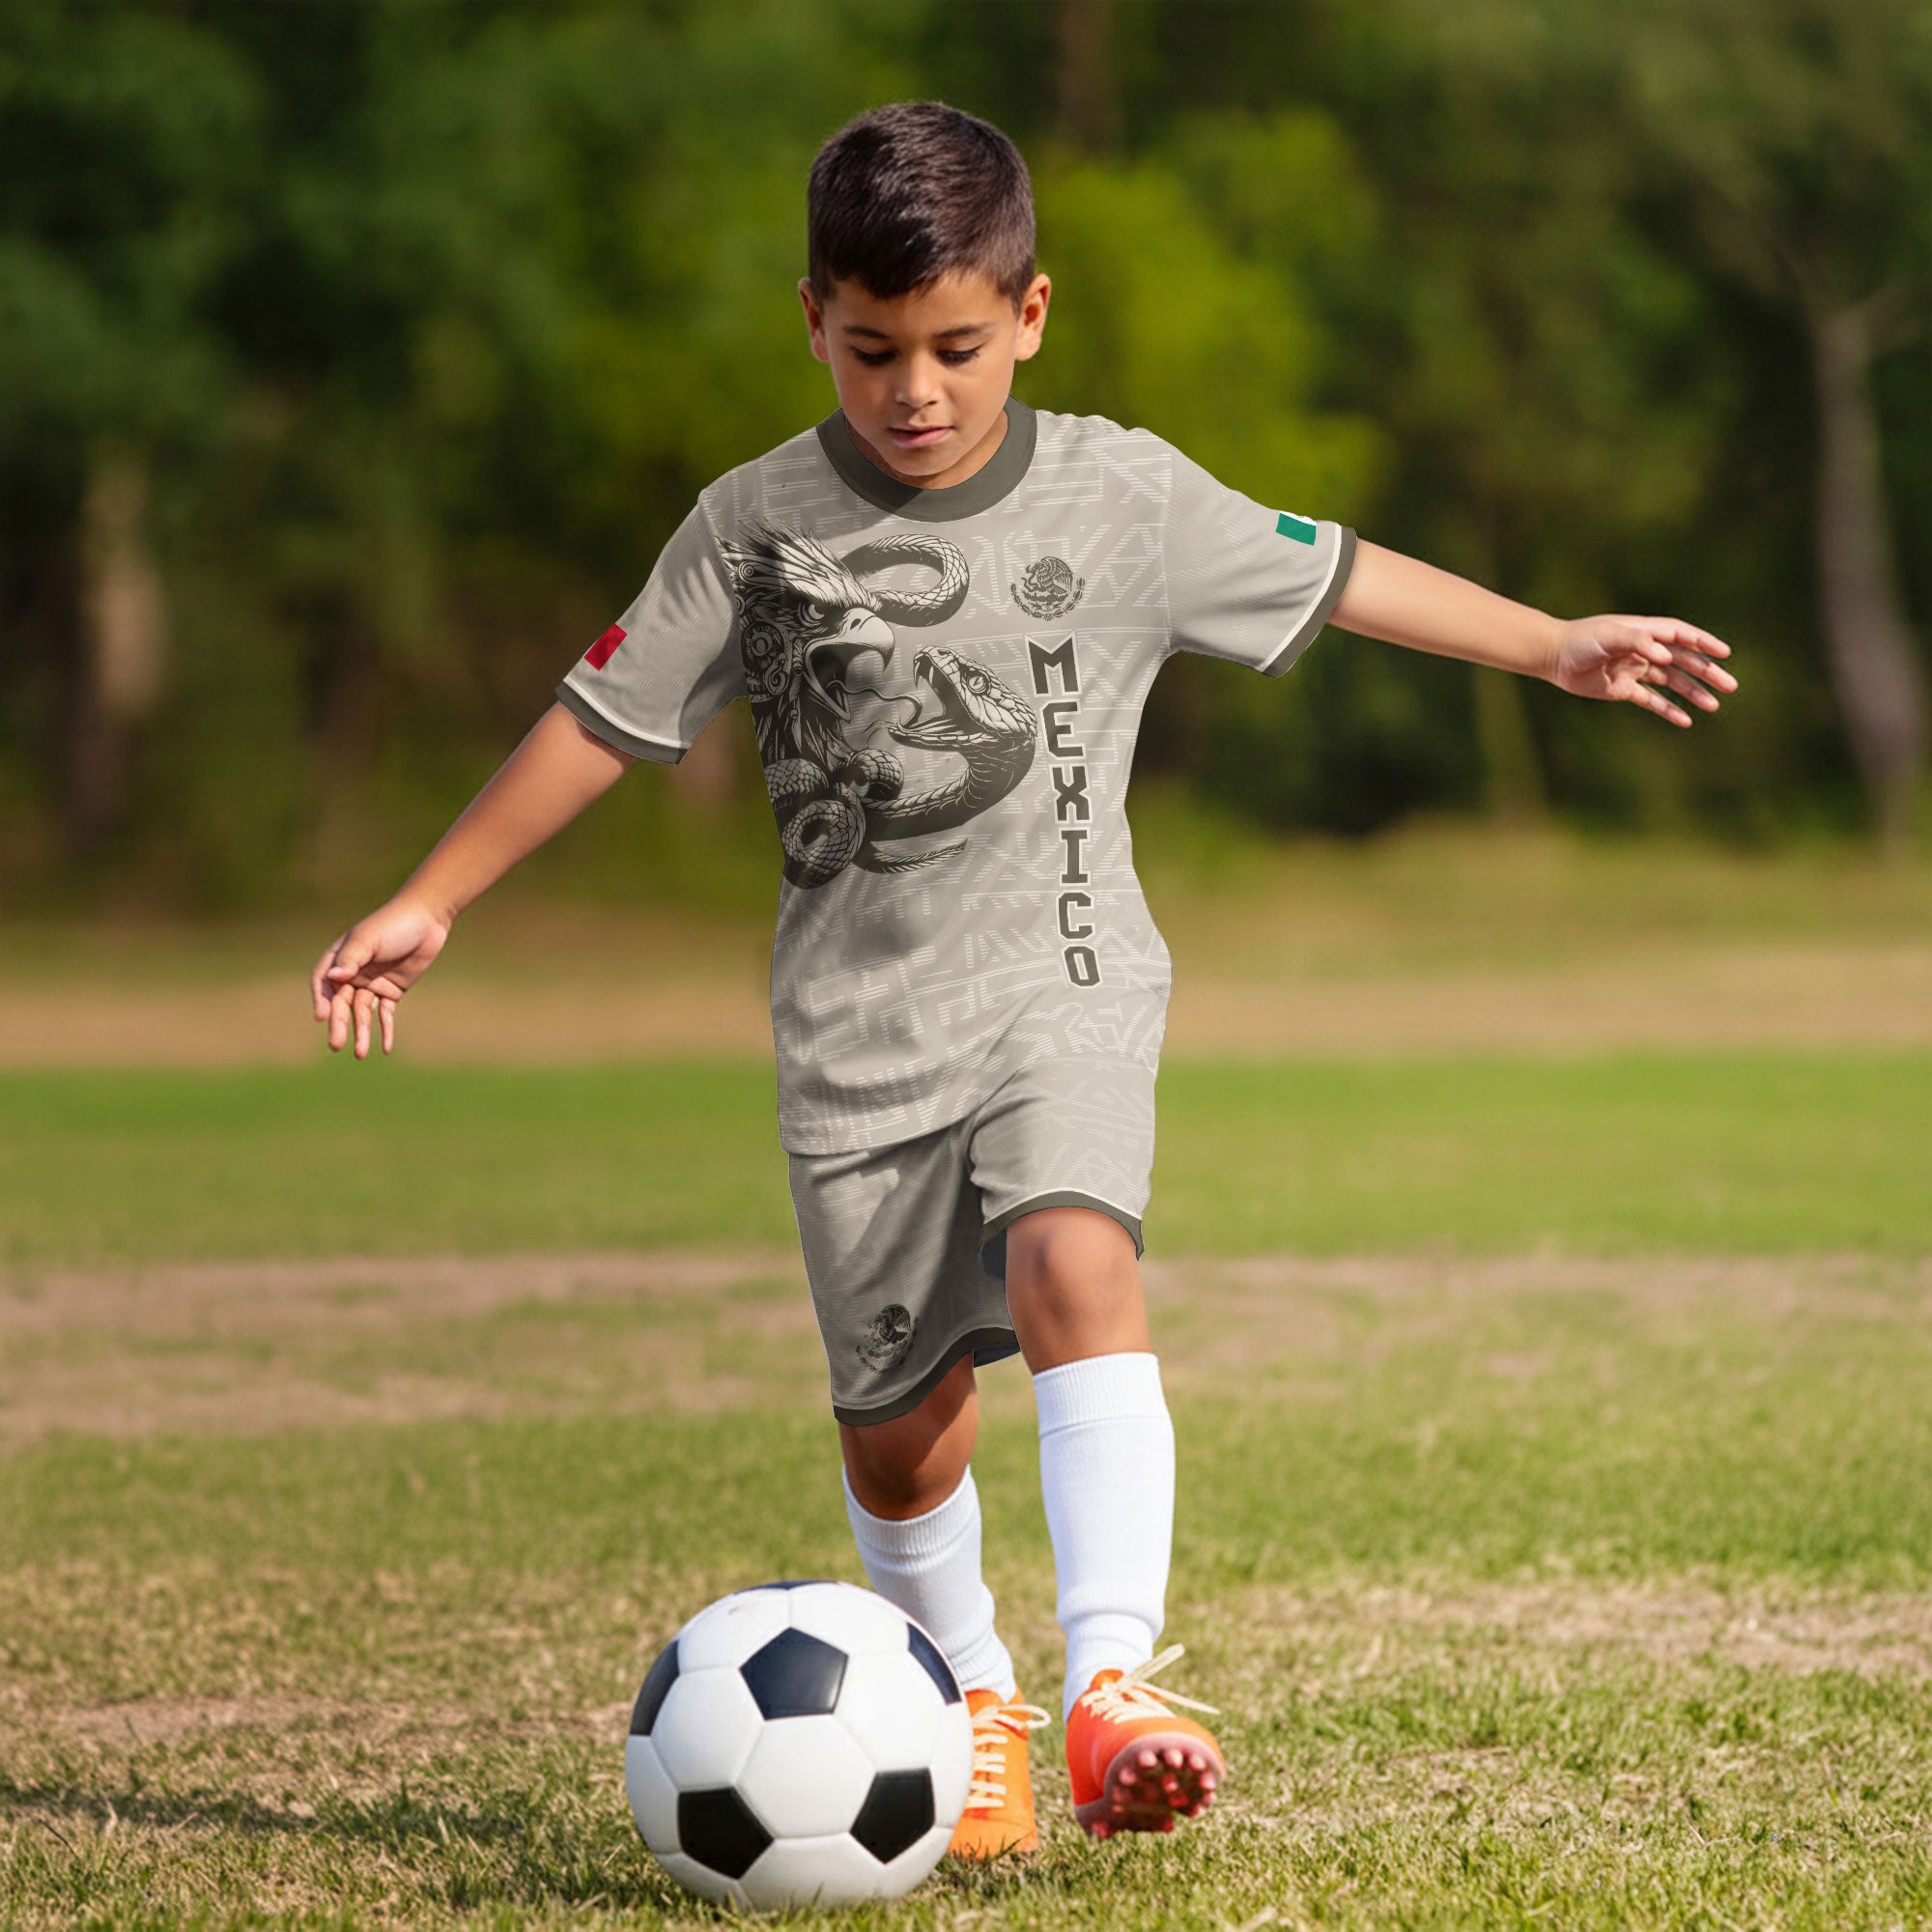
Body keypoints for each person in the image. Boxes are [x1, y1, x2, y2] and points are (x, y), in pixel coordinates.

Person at [310, 100, 1736, 1859]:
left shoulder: (1122, 494)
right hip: (854, 1044)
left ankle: (1111, 1685)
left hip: (1066, 985)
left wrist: (1555, 643)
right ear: (814, 323)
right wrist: (431, 895)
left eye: (959, 349)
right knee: (905, 1439)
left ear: (1032, 316)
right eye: (874, 349)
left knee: (1078, 1253)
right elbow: (601, 716)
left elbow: (1342, 572)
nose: (918, 389)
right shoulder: (750, 526)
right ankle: (972, 1690)